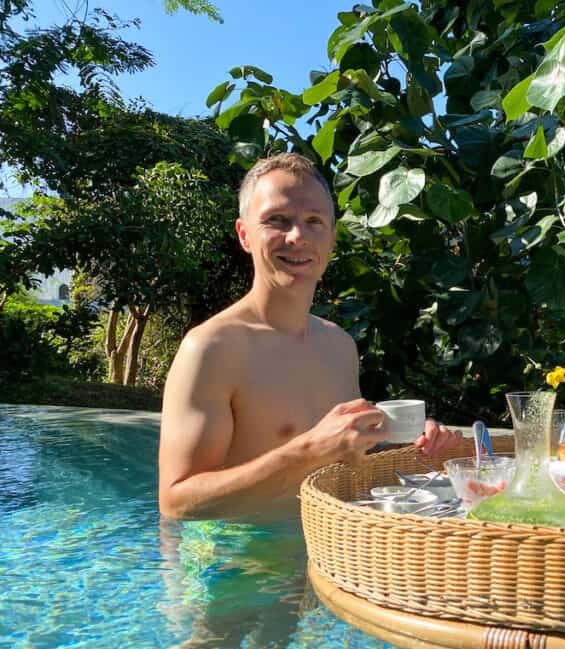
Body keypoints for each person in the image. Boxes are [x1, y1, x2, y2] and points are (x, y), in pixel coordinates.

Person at [158, 153, 460, 523]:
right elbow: (176, 503)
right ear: (244, 235)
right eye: (277, 221)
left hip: (327, 551)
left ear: (331, 238)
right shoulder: (212, 348)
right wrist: (308, 450)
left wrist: (414, 448)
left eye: (313, 221)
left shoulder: (338, 345)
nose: (297, 236)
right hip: (236, 568)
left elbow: (343, 463)